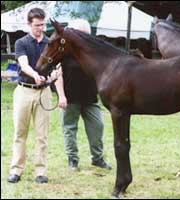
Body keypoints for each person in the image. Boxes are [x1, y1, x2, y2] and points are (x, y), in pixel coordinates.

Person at [54, 19, 111, 171]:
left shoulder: (94, 52)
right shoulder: (64, 51)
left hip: (91, 98)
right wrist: (61, 96)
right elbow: (58, 75)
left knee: (97, 128)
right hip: (70, 99)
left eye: (86, 35)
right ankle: (73, 160)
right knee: (69, 130)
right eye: (81, 35)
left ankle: (97, 159)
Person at [7, 8, 51, 184]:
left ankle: (40, 171)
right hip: (24, 90)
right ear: (29, 24)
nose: (41, 28)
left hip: (44, 93)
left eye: (43, 24)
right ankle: (16, 170)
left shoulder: (50, 43)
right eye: (37, 25)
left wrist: (52, 76)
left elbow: (57, 68)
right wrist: (35, 75)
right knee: (20, 133)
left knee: (42, 135)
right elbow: (23, 64)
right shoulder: (21, 42)